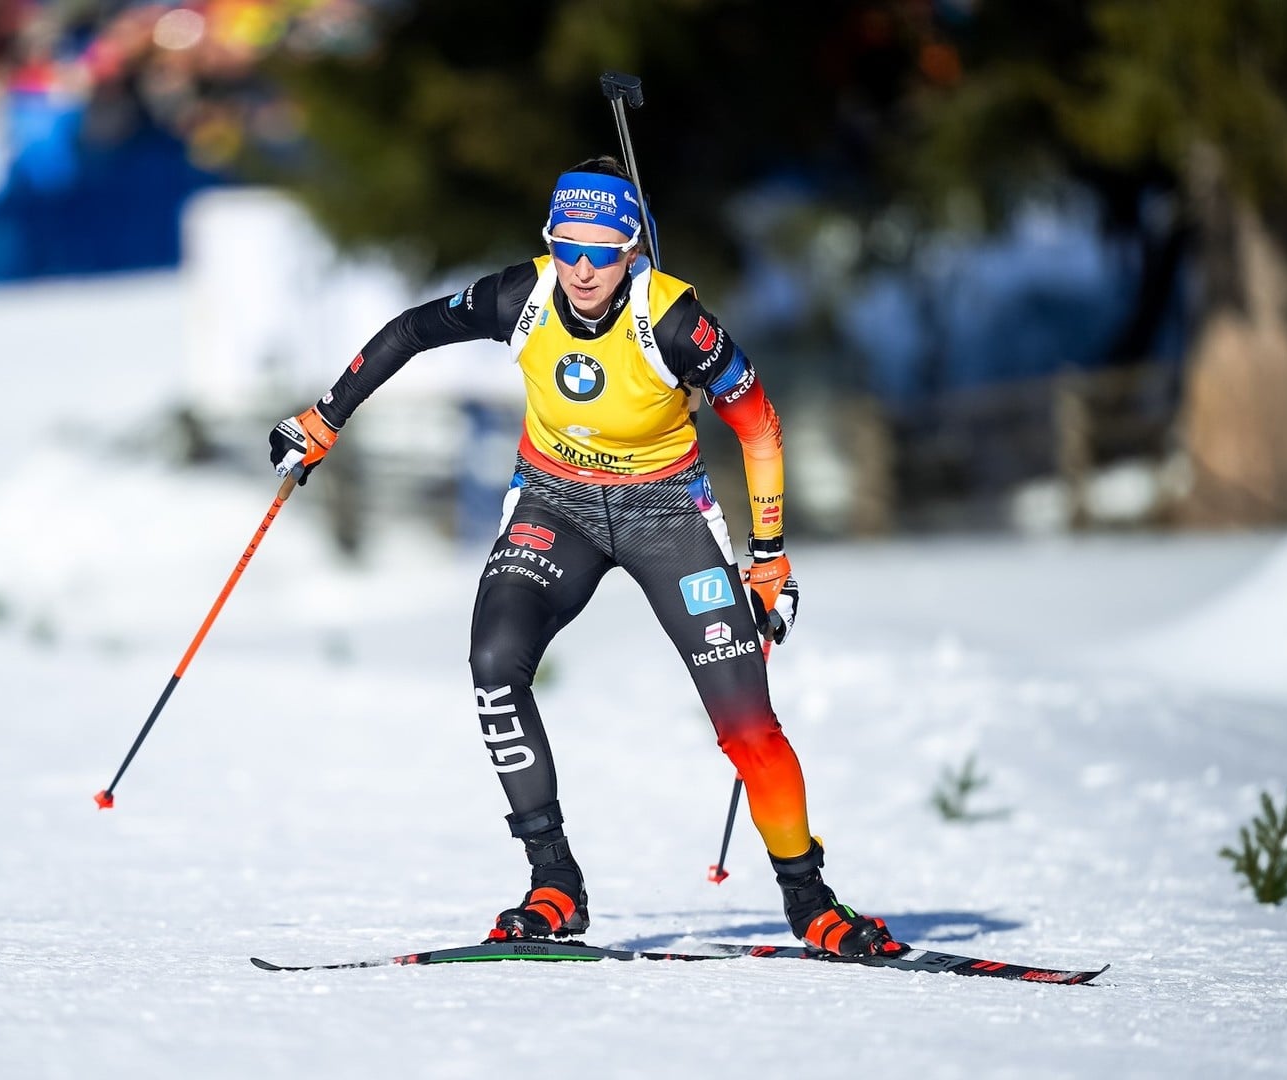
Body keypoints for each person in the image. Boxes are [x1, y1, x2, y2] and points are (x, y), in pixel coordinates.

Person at [268, 156, 904, 957]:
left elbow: (759, 424)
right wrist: (327, 417)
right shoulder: (521, 296)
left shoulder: (674, 320)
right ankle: (554, 884)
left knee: (746, 724)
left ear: (632, 250)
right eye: (566, 248)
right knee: (495, 663)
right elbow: (409, 332)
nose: (581, 269)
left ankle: (811, 902)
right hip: (554, 505)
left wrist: (767, 554)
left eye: (601, 252)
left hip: (666, 513)